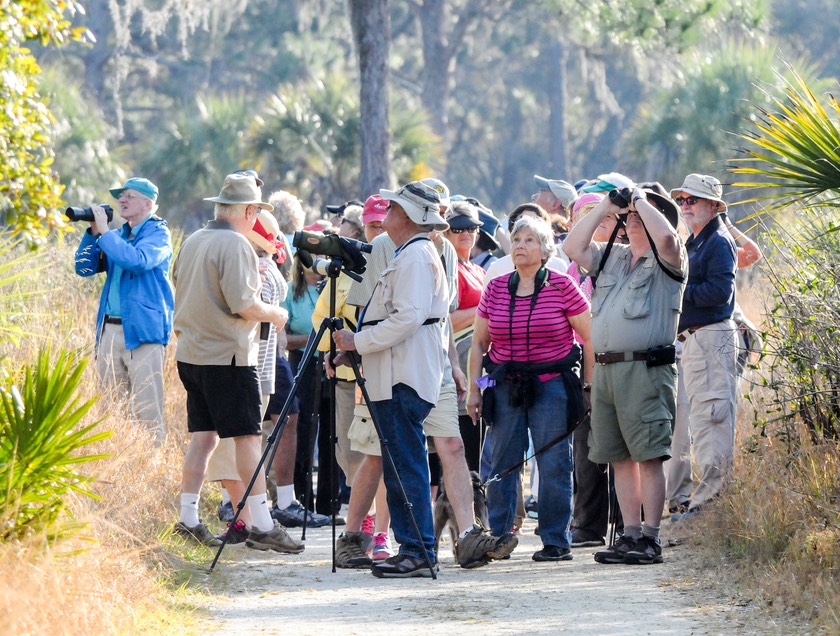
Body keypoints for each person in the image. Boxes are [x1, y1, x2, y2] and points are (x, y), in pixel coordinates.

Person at [332, 181, 516, 578]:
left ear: (411, 218)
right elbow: (392, 314)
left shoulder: (416, 256)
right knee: (400, 460)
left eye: (395, 209)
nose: (387, 214)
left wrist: (358, 341)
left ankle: (418, 549)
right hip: (401, 368)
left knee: (408, 464)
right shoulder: (408, 251)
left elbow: (407, 318)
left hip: (405, 371)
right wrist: (357, 345)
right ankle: (414, 546)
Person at [171, 173, 302, 553]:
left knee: (203, 437)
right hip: (228, 357)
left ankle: (188, 517)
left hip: (191, 355)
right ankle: (262, 524)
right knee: (247, 438)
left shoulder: (194, 240)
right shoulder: (236, 246)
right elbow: (245, 304)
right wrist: (277, 314)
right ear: (248, 210)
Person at [563, 180, 687, 565]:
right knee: (618, 457)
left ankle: (650, 537)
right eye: (629, 215)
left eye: (639, 215)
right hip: (607, 370)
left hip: (646, 368)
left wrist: (640, 199)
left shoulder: (668, 260)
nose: (632, 218)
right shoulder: (613, 256)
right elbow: (572, 248)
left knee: (648, 455)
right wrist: (604, 207)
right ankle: (629, 534)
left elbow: (668, 240)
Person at [468, 215, 592, 562]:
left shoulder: (562, 286)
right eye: (517, 240)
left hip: (552, 385)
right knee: (502, 462)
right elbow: (479, 344)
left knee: (554, 462)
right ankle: (499, 537)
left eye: (530, 240)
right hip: (504, 385)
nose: (521, 246)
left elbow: (590, 335)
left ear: (545, 249)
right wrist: (476, 390)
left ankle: (555, 539)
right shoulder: (495, 287)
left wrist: (590, 386)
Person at [74, 177, 174, 446]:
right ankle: (116, 462)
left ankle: (152, 470)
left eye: (129, 195)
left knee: (147, 411)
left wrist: (106, 234)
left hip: (143, 332)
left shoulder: (158, 234)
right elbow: (83, 268)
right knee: (111, 409)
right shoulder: (116, 237)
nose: (122, 200)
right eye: (120, 196)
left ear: (148, 203)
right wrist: (94, 233)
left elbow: (138, 261)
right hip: (109, 329)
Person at [668, 174, 739, 519]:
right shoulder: (696, 241)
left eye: (692, 200)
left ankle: (709, 505)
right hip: (696, 341)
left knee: (713, 421)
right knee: (701, 422)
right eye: (682, 200)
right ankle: (701, 503)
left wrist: (675, 297)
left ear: (713, 206)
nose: (685, 206)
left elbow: (718, 292)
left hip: (711, 337)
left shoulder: (718, 242)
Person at [442, 201, 487, 472]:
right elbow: (445, 320)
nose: (466, 233)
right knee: (461, 442)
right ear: (446, 232)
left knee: (478, 438)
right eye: (458, 228)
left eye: (471, 227)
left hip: (480, 366)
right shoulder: (448, 269)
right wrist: (484, 310)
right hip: (456, 365)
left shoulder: (479, 270)